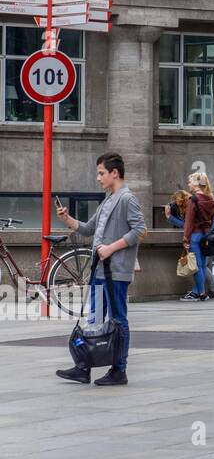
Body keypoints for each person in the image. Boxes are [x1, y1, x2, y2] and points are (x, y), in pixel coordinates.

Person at [54, 152, 147, 386]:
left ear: (114, 173)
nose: (98, 178)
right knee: (94, 320)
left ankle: (119, 370)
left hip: (115, 271)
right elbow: (87, 229)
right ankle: (84, 366)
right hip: (99, 271)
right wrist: (67, 220)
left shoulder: (127, 199)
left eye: (101, 173)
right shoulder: (107, 200)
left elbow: (140, 230)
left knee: (118, 320)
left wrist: (110, 248)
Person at [166, 186, 214, 300]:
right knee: (202, 266)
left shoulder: (195, 205)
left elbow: (187, 225)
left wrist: (169, 217)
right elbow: (189, 223)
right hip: (208, 238)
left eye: (177, 203)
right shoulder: (193, 205)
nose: (176, 205)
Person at [177, 171, 214, 302]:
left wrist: (186, 239)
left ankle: (201, 293)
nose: (188, 184)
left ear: (195, 184)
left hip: (194, 236)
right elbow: (212, 219)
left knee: (196, 267)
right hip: (206, 237)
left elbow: (188, 222)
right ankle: (202, 292)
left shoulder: (193, 200)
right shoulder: (211, 199)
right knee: (202, 265)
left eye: (190, 181)